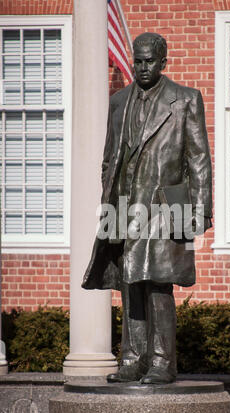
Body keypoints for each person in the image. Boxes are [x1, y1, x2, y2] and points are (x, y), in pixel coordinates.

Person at [82, 32, 212, 384]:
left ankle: (161, 362)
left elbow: (198, 160)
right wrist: (108, 199)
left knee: (158, 284)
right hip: (123, 206)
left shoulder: (185, 100)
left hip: (165, 208)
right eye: (137, 60)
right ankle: (133, 358)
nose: (141, 67)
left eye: (149, 61)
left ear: (163, 61)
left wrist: (200, 213)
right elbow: (110, 158)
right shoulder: (119, 101)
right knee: (129, 283)